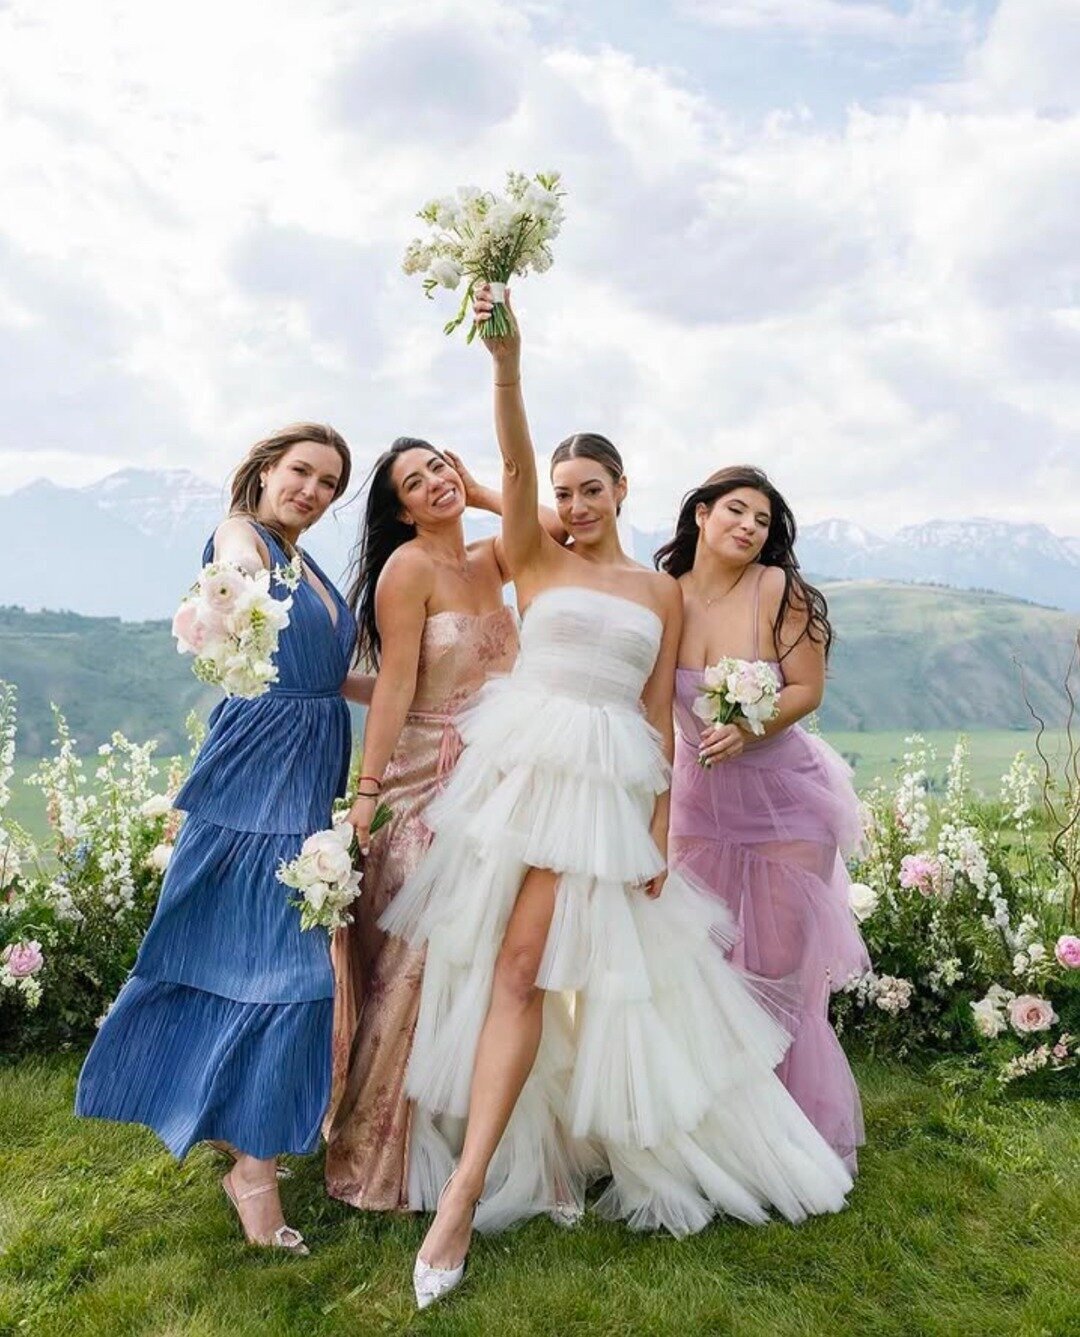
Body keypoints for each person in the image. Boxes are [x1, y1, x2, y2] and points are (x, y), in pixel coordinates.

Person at [379, 289, 853, 1310]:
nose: (578, 503)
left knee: (527, 968)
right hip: (514, 778)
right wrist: (508, 363)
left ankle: (477, 1190)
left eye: (593, 487)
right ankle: (490, 1176)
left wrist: (652, 832)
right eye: (565, 489)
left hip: (604, 796)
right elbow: (506, 465)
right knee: (503, 970)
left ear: (624, 488)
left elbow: (651, 717)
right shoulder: (535, 553)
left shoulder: (658, 593)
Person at [76, 424, 360, 1254]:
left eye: (329, 482)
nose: (312, 489)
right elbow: (232, 567)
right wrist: (232, 581)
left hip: (306, 769)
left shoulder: (311, 568)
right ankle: (253, 1171)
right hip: (254, 772)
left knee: (261, 960)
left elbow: (326, 672)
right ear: (267, 471)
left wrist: (432, 691)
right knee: (290, 974)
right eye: (301, 471)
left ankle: (235, 1126)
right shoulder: (245, 539)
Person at [324, 438, 524, 1210]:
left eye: (441, 468)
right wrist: (367, 796)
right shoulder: (407, 569)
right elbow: (400, 681)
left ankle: (474, 1135)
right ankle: (383, 1151)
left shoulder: (491, 557)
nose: (435, 483)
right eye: (418, 480)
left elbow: (558, 528)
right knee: (413, 958)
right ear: (400, 508)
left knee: (490, 956)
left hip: (501, 774)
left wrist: (480, 489)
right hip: (428, 773)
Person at [658, 468, 870, 1170]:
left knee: (776, 965)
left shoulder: (781, 591)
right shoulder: (663, 598)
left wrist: (750, 727)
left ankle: (783, 1137)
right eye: (736, 511)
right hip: (697, 804)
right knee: (704, 964)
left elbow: (807, 687)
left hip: (785, 801)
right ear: (700, 514)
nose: (749, 526)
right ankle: (716, 1131)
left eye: (762, 518)